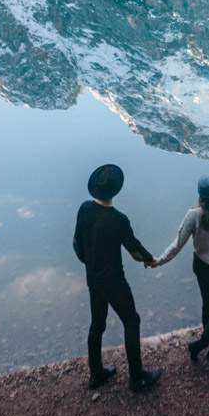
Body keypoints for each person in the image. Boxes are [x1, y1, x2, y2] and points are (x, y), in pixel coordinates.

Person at [72, 164, 162, 392]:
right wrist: (150, 260)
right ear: (115, 191)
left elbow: (76, 244)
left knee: (97, 325)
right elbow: (134, 250)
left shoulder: (84, 209)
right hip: (114, 281)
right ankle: (137, 378)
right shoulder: (118, 220)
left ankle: (96, 374)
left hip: (93, 279)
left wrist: (89, 264)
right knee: (132, 321)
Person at [152, 176, 209, 361]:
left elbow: (177, 244)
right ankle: (202, 344)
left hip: (200, 267)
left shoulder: (192, 215)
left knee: (208, 305)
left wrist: (160, 260)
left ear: (200, 196)